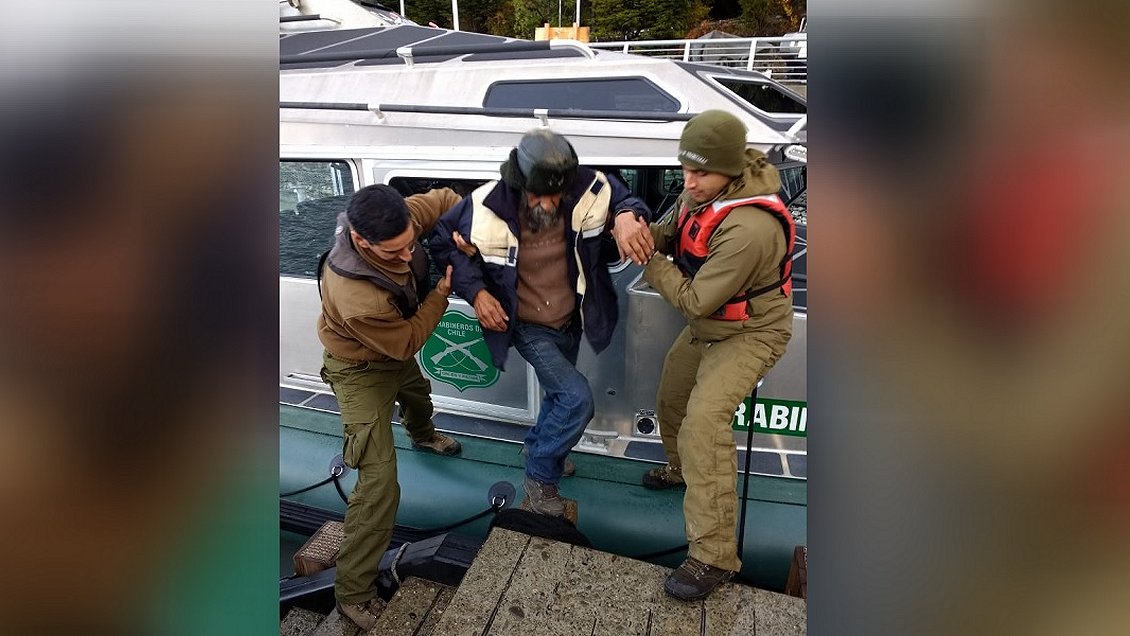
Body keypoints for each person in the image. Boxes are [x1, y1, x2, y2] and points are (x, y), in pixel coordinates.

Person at [430, 128, 654, 519]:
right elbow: (442, 242)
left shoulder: (592, 187)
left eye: (556, 194)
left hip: (572, 317)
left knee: (556, 395)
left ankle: (537, 444)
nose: (549, 203)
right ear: (518, 183)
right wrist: (478, 293)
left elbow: (628, 199)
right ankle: (539, 478)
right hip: (527, 325)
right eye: (539, 195)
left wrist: (629, 217)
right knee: (576, 398)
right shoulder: (482, 205)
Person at [639, 110, 796, 600]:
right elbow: (675, 232)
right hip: (712, 325)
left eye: (700, 172)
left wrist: (645, 257)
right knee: (671, 398)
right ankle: (682, 469)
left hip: (752, 332)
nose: (688, 182)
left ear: (728, 169)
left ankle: (713, 557)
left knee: (705, 424)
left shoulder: (749, 228)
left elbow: (692, 299)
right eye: (684, 169)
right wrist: (639, 228)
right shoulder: (705, 190)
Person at [316, 184, 465, 630]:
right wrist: (442, 292)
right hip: (359, 369)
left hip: (392, 355)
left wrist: (463, 231)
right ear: (362, 242)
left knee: (418, 394)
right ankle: (353, 592)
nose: (406, 256)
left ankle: (423, 433)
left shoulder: (402, 219)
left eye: (410, 246)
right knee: (379, 483)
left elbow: (443, 198)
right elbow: (406, 343)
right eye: (394, 253)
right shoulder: (357, 297)